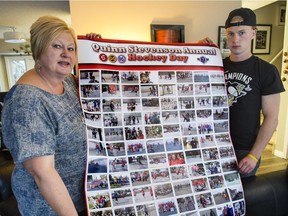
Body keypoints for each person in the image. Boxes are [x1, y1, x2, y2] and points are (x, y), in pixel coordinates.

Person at [1, 16, 101, 215]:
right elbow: (42, 172)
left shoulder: (69, 82)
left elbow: (100, 93)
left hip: (81, 197)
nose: (66, 54)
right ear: (39, 50)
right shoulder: (27, 100)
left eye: (71, 49)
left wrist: (95, 49)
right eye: (56, 46)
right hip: (50, 208)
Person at [199, 8, 285, 177]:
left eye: (242, 33)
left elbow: (272, 118)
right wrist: (198, 50)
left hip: (244, 151)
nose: (235, 39)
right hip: (211, 145)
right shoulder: (216, 66)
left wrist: (254, 155)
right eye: (230, 34)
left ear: (254, 33)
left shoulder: (266, 71)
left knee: (243, 200)